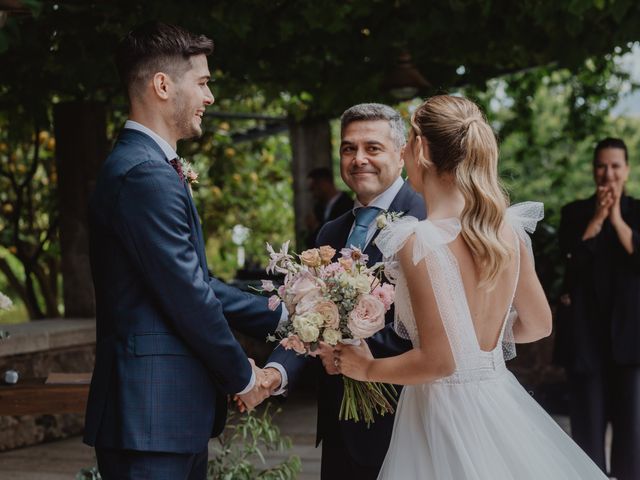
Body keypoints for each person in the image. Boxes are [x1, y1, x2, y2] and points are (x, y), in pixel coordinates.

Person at [335, 95, 608, 479]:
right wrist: (478, 343)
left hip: (443, 414)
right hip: (497, 400)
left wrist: (366, 369)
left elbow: (439, 361)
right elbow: (538, 324)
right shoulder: (507, 231)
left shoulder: (421, 240)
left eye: (410, 141)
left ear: (422, 149)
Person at [83, 22, 284, 480]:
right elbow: (190, 297)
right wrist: (246, 377)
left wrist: (281, 313)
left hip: (163, 417)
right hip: (150, 414)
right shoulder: (144, 175)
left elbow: (195, 281)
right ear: (162, 85)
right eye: (203, 82)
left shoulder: (147, 166)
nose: (209, 97)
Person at [266, 103, 426, 479]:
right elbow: (306, 320)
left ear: (401, 154)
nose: (359, 159)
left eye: (373, 148)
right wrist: (276, 373)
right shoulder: (329, 233)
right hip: (339, 424)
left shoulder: (427, 220)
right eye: (348, 148)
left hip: (404, 420)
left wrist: (350, 352)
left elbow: (438, 329)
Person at [555, 137, 640, 480]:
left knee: (633, 434)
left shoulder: (639, 211)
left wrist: (617, 219)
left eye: (615, 166)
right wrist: (598, 218)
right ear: (593, 170)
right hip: (585, 338)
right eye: (602, 166)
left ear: (627, 169)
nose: (608, 173)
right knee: (587, 429)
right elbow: (570, 267)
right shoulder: (574, 213)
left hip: (631, 340)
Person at [305, 167, 353, 247]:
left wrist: (315, 227)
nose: (313, 194)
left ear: (324, 183)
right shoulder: (318, 209)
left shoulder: (348, 205)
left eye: (313, 188)